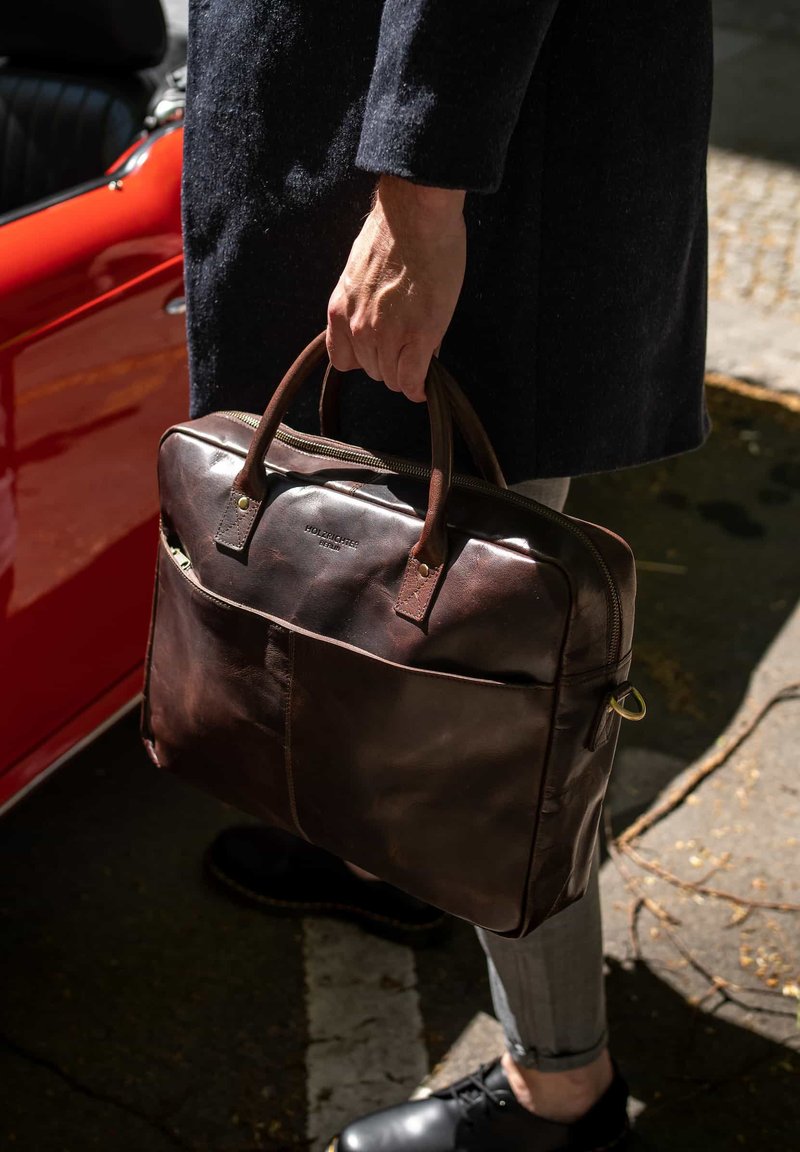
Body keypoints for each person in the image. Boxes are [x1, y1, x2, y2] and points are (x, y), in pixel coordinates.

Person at [181, 2, 713, 1148]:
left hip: (447, 169)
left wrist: (418, 195)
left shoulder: (424, 196)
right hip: (371, 137)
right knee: (385, 601)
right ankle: (390, 849)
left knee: (493, 696)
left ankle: (559, 1092)